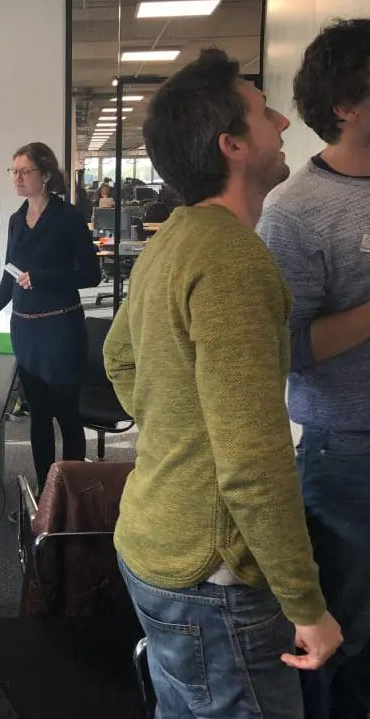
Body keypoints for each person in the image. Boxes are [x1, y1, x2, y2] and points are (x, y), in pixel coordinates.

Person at [103, 48, 342, 717]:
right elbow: (252, 461)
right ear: (232, 145)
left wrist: (179, 430)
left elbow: (119, 359)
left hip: (155, 542)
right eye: (265, 112)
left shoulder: (173, 238)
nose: (284, 122)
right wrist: (306, 605)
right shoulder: (234, 259)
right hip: (213, 576)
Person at [257, 18, 370, 719]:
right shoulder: (294, 213)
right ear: (346, 105)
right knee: (342, 635)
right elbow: (286, 349)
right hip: (347, 453)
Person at [0, 142, 100, 492]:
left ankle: (71, 498)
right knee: (39, 417)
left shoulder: (68, 218)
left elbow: (92, 275)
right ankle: (46, 493)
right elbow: (7, 282)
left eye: (24, 171)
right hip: (27, 334)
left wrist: (44, 277)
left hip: (61, 331)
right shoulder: (16, 221)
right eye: (13, 171)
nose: (16, 178)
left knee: (67, 417)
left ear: (45, 175)